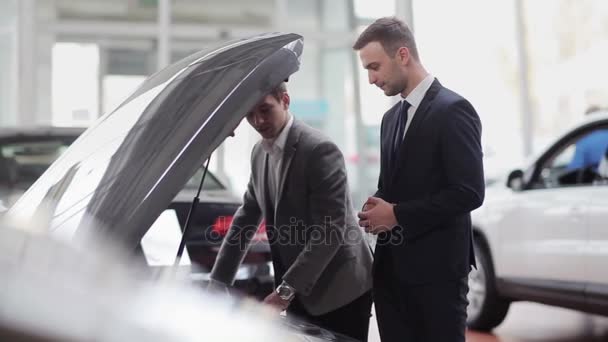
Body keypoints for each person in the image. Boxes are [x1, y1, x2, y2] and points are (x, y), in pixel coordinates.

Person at [353, 17, 485, 342]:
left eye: (375, 67)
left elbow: (469, 192)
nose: (370, 79)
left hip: (437, 276)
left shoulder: (454, 109)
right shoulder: (390, 118)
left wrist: (396, 214)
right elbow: (394, 185)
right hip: (391, 277)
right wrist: (377, 207)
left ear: (402, 55)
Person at [209, 82, 373, 341]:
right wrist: (217, 284)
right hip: (298, 287)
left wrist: (285, 292)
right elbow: (245, 219)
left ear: (285, 100)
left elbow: (330, 230)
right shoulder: (258, 153)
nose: (258, 120)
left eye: (265, 109)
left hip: (339, 288)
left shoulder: (319, 149)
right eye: (250, 114)